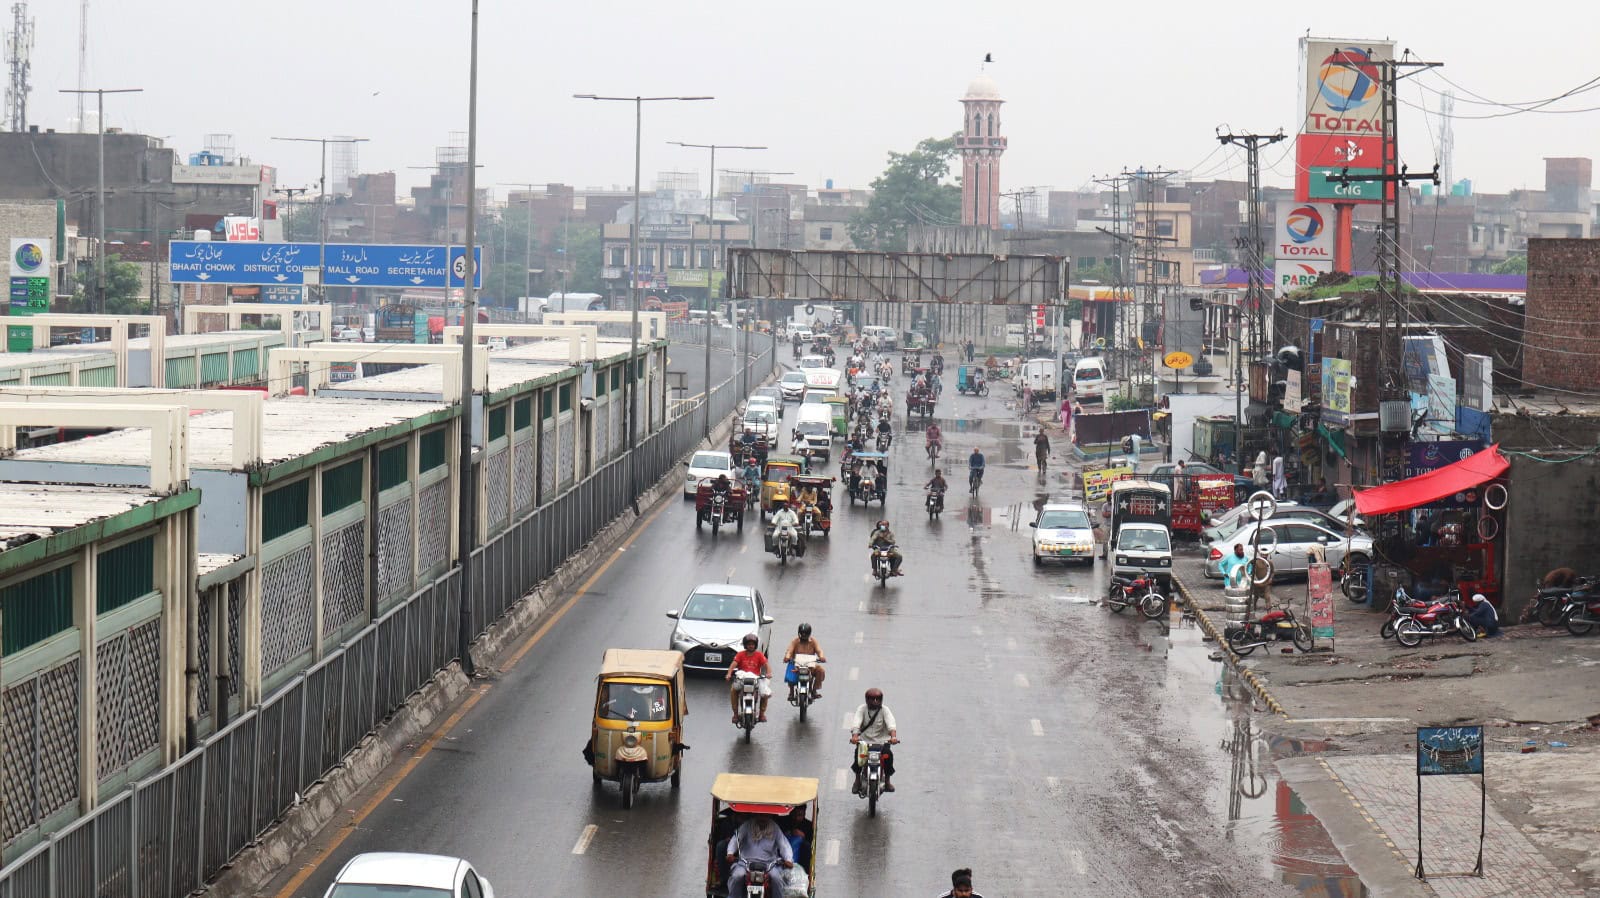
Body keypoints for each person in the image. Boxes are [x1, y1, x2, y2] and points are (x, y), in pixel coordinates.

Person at [725, 814, 795, 897]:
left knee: (777, 879)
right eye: (760, 815)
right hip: (746, 863)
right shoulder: (747, 825)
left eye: (765, 816)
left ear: (770, 816)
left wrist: (788, 859)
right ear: (756, 815)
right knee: (737, 876)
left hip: (769, 865)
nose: (763, 818)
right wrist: (730, 853)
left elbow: (784, 845)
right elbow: (736, 839)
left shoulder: (775, 828)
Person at [849, 687, 899, 793]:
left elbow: (891, 724)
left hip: (882, 743)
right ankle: (857, 780)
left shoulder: (885, 710)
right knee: (858, 756)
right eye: (872, 699)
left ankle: (887, 781)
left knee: (888, 756)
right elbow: (856, 722)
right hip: (864, 743)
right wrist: (855, 736)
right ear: (867, 700)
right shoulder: (862, 709)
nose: (875, 702)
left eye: (877, 699)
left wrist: (893, 737)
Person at [725, 634, 772, 723]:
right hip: (742, 680)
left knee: (765, 692)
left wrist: (769, 673)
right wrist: (729, 673)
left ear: (756, 645)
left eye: (753, 644)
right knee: (733, 690)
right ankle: (735, 714)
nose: (751, 646)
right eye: (749, 644)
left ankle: (762, 714)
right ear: (745, 645)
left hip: (755, 680)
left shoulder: (759, 655)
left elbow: (766, 664)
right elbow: (734, 663)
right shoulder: (740, 654)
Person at [783, 623, 827, 699]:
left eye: (805, 634)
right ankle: (791, 692)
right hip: (797, 665)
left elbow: (819, 650)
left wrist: (821, 657)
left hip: (810, 665)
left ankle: (814, 690)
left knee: (821, 671)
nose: (803, 636)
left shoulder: (813, 641)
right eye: (802, 634)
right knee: (790, 673)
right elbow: (789, 651)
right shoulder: (795, 641)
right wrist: (787, 657)